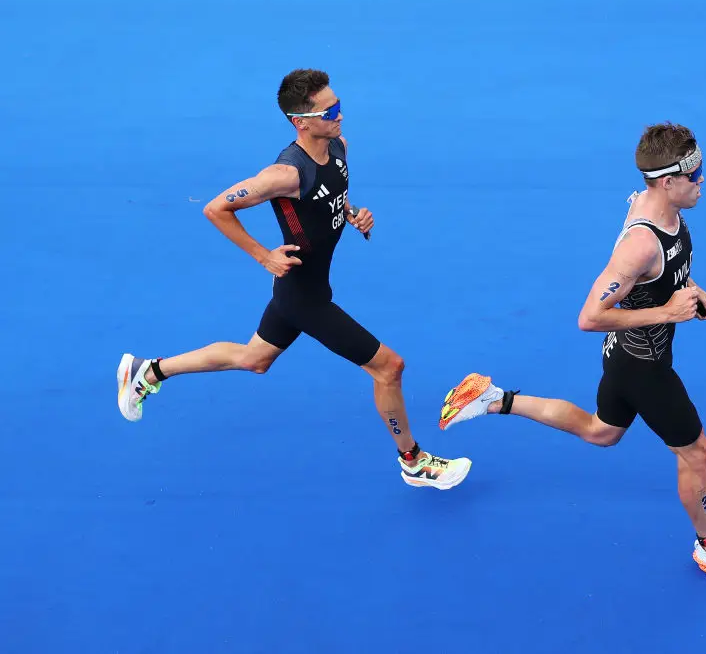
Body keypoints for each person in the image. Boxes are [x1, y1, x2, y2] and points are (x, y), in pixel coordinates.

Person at [438, 122, 706, 579]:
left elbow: (663, 278)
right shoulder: (639, 243)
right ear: (668, 180)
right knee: (696, 452)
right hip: (643, 367)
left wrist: (693, 291)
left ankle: (494, 398)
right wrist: (668, 313)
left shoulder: (658, 208)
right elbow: (589, 317)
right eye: (694, 175)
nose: (702, 181)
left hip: (626, 358)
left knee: (602, 432)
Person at [116, 68, 471, 491]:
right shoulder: (284, 174)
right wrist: (263, 255)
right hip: (303, 297)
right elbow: (215, 209)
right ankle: (413, 461)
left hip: (308, 288)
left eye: (339, 104)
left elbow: (329, 198)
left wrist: (351, 213)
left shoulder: (337, 146)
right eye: (330, 110)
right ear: (300, 121)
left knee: (254, 360)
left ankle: (149, 371)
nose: (340, 115)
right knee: (389, 368)